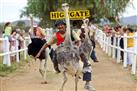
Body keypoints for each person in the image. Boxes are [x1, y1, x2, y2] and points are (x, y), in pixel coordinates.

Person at [36, 20, 95, 90]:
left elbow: (78, 40)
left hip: (72, 48)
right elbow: (47, 44)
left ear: (65, 26)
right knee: (54, 53)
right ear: (57, 27)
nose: (60, 26)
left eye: (61, 25)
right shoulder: (56, 35)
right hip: (61, 50)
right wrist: (39, 52)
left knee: (86, 62)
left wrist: (77, 47)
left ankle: (87, 83)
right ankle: (57, 68)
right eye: (58, 25)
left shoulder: (71, 32)